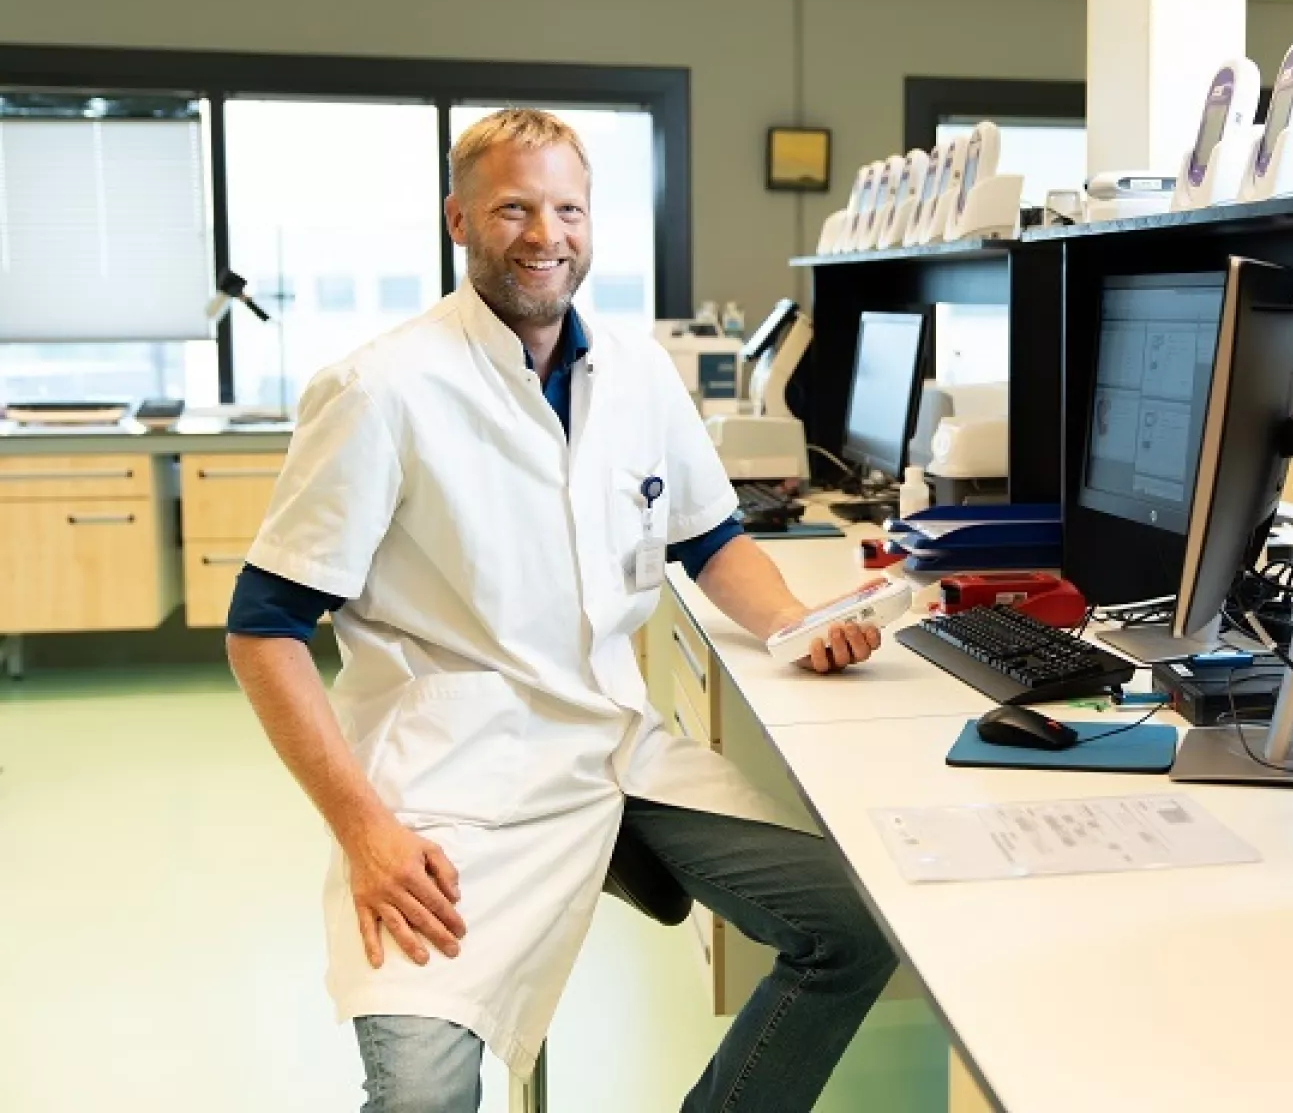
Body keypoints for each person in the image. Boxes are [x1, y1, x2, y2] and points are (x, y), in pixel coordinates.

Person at [227, 108, 897, 1113]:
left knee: (850, 927)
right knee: (421, 1097)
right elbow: (263, 628)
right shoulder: (379, 389)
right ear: (459, 219)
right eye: (514, 208)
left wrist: (795, 623)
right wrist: (366, 832)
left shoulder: (636, 375)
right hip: (453, 786)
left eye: (567, 209)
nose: (546, 235)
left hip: (612, 756)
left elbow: (711, 541)